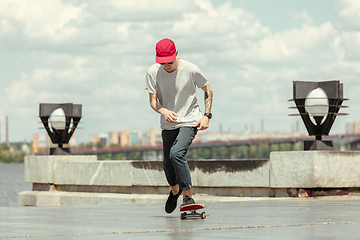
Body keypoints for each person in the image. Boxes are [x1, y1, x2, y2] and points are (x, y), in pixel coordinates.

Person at [144, 38, 213, 213]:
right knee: (167, 164)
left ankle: (188, 197)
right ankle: (175, 191)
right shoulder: (153, 72)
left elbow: (208, 90)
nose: (167, 65)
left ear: (176, 54)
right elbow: (153, 102)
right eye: (163, 62)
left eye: (170, 61)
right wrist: (164, 111)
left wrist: (206, 116)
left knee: (176, 154)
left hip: (190, 120)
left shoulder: (191, 69)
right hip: (168, 124)